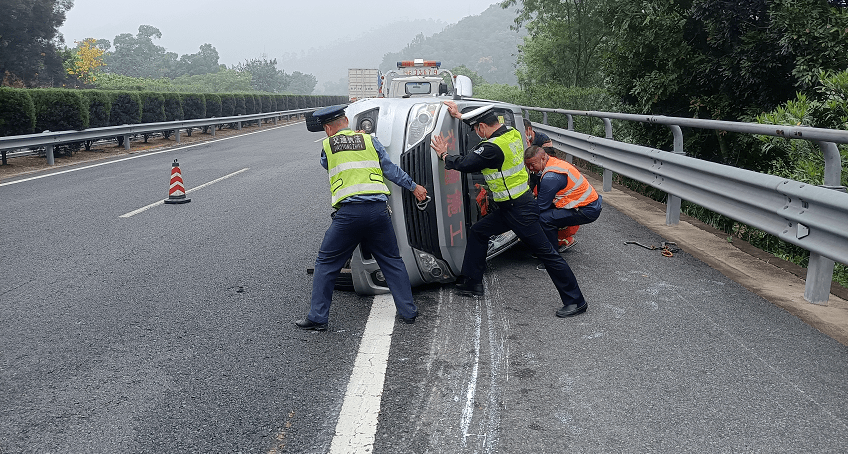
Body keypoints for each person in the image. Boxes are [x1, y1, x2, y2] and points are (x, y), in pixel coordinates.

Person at [430, 102, 588, 318]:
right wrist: (460, 116)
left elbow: (465, 163)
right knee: (479, 232)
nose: (477, 133)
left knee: (549, 255)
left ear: (483, 127)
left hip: (519, 211)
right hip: (512, 206)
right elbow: (483, 124)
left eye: (477, 129)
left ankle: (575, 300)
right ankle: (471, 283)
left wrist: (443, 155)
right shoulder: (512, 134)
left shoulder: (490, 148)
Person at [294, 105, 429, 331]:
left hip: (348, 215)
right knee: (391, 260)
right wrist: (414, 187)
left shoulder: (328, 145)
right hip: (378, 211)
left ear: (328, 128)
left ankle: (318, 318)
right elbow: (390, 170)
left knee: (326, 263)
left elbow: (326, 165)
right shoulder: (370, 140)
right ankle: (409, 312)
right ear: (346, 120)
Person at [524, 145, 603, 252]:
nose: (531, 169)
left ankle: (552, 256)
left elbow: (540, 207)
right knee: (549, 213)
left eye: (533, 164)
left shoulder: (551, 177)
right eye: (528, 165)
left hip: (586, 209)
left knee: (544, 219)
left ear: (543, 158)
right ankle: (560, 240)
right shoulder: (553, 163)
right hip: (586, 204)